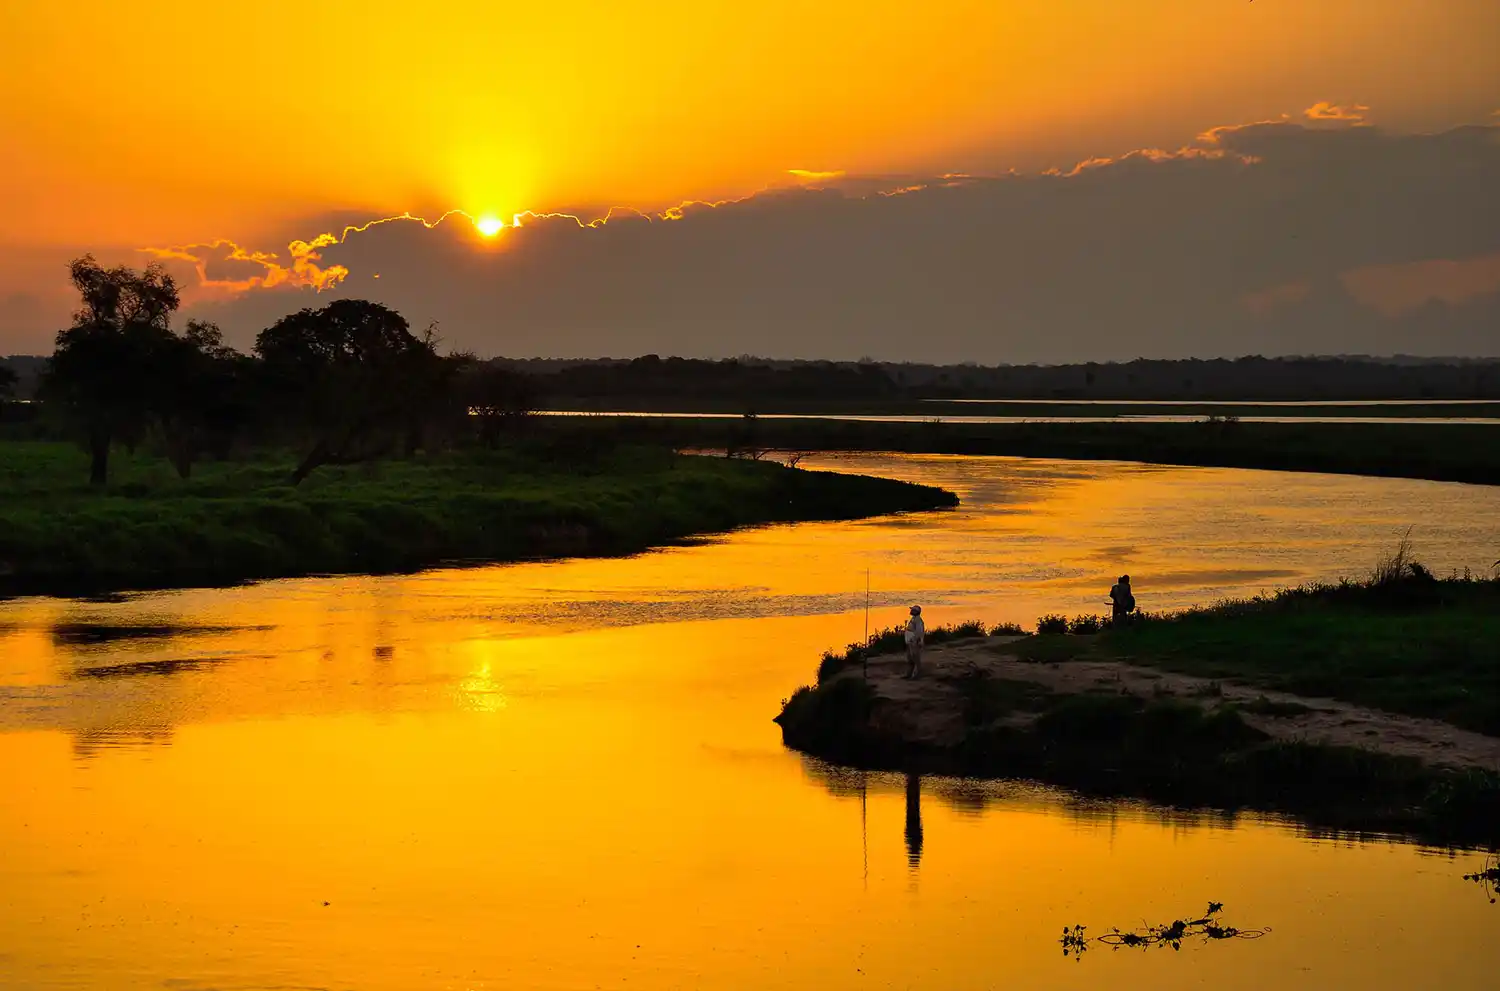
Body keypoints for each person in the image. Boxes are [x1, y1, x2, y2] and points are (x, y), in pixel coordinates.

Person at [903, 605, 926, 679]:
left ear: (916, 612)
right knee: (910, 659)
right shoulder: (914, 619)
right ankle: (909, 674)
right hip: (910, 642)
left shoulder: (918, 620)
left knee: (915, 659)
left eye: (912, 610)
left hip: (914, 643)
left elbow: (919, 632)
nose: (911, 611)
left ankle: (916, 675)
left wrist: (917, 641)